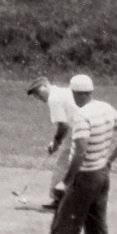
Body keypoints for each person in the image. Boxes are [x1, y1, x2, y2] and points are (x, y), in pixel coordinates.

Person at [28, 73, 117, 234]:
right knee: (97, 227)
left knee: (64, 225)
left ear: (75, 93)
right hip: (102, 176)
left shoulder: (81, 116)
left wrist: (65, 182)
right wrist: (109, 159)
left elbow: (80, 153)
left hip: (84, 178)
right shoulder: (106, 108)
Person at [27, 76, 76, 209]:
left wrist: (55, 142)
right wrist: (57, 141)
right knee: (74, 165)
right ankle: (65, 200)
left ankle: (59, 200)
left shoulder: (53, 98)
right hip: (82, 129)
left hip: (78, 131)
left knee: (63, 165)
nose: (37, 97)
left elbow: (63, 125)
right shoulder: (62, 92)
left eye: (37, 93)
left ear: (44, 87)